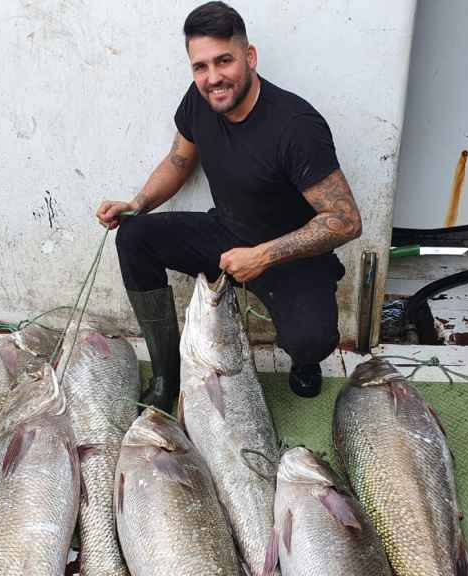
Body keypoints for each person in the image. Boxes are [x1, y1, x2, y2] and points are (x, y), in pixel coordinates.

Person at [96, 1, 361, 411]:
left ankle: (304, 362)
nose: (213, 78)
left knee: (312, 338)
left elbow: (345, 221)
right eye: (200, 66)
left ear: (249, 56)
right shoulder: (201, 98)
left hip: (289, 254)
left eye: (224, 61)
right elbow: (178, 161)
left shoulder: (296, 127)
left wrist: (264, 255)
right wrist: (136, 203)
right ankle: (167, 375)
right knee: (134, 235)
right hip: (226, 234)